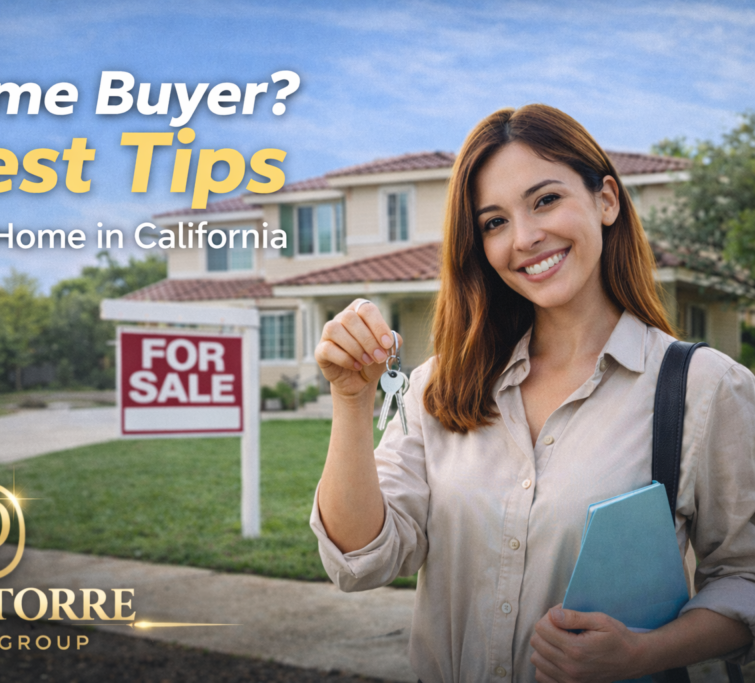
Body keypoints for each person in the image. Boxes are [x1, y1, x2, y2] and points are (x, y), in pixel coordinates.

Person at [310, 104, 755, 683]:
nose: (524, 238)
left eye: (545, 200)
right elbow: (361, 561)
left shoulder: (705, 389)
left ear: (607, 201)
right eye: (493, 222)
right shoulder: (440, 389)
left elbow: (745, 580)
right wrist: (350, 400)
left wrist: (644, 653)